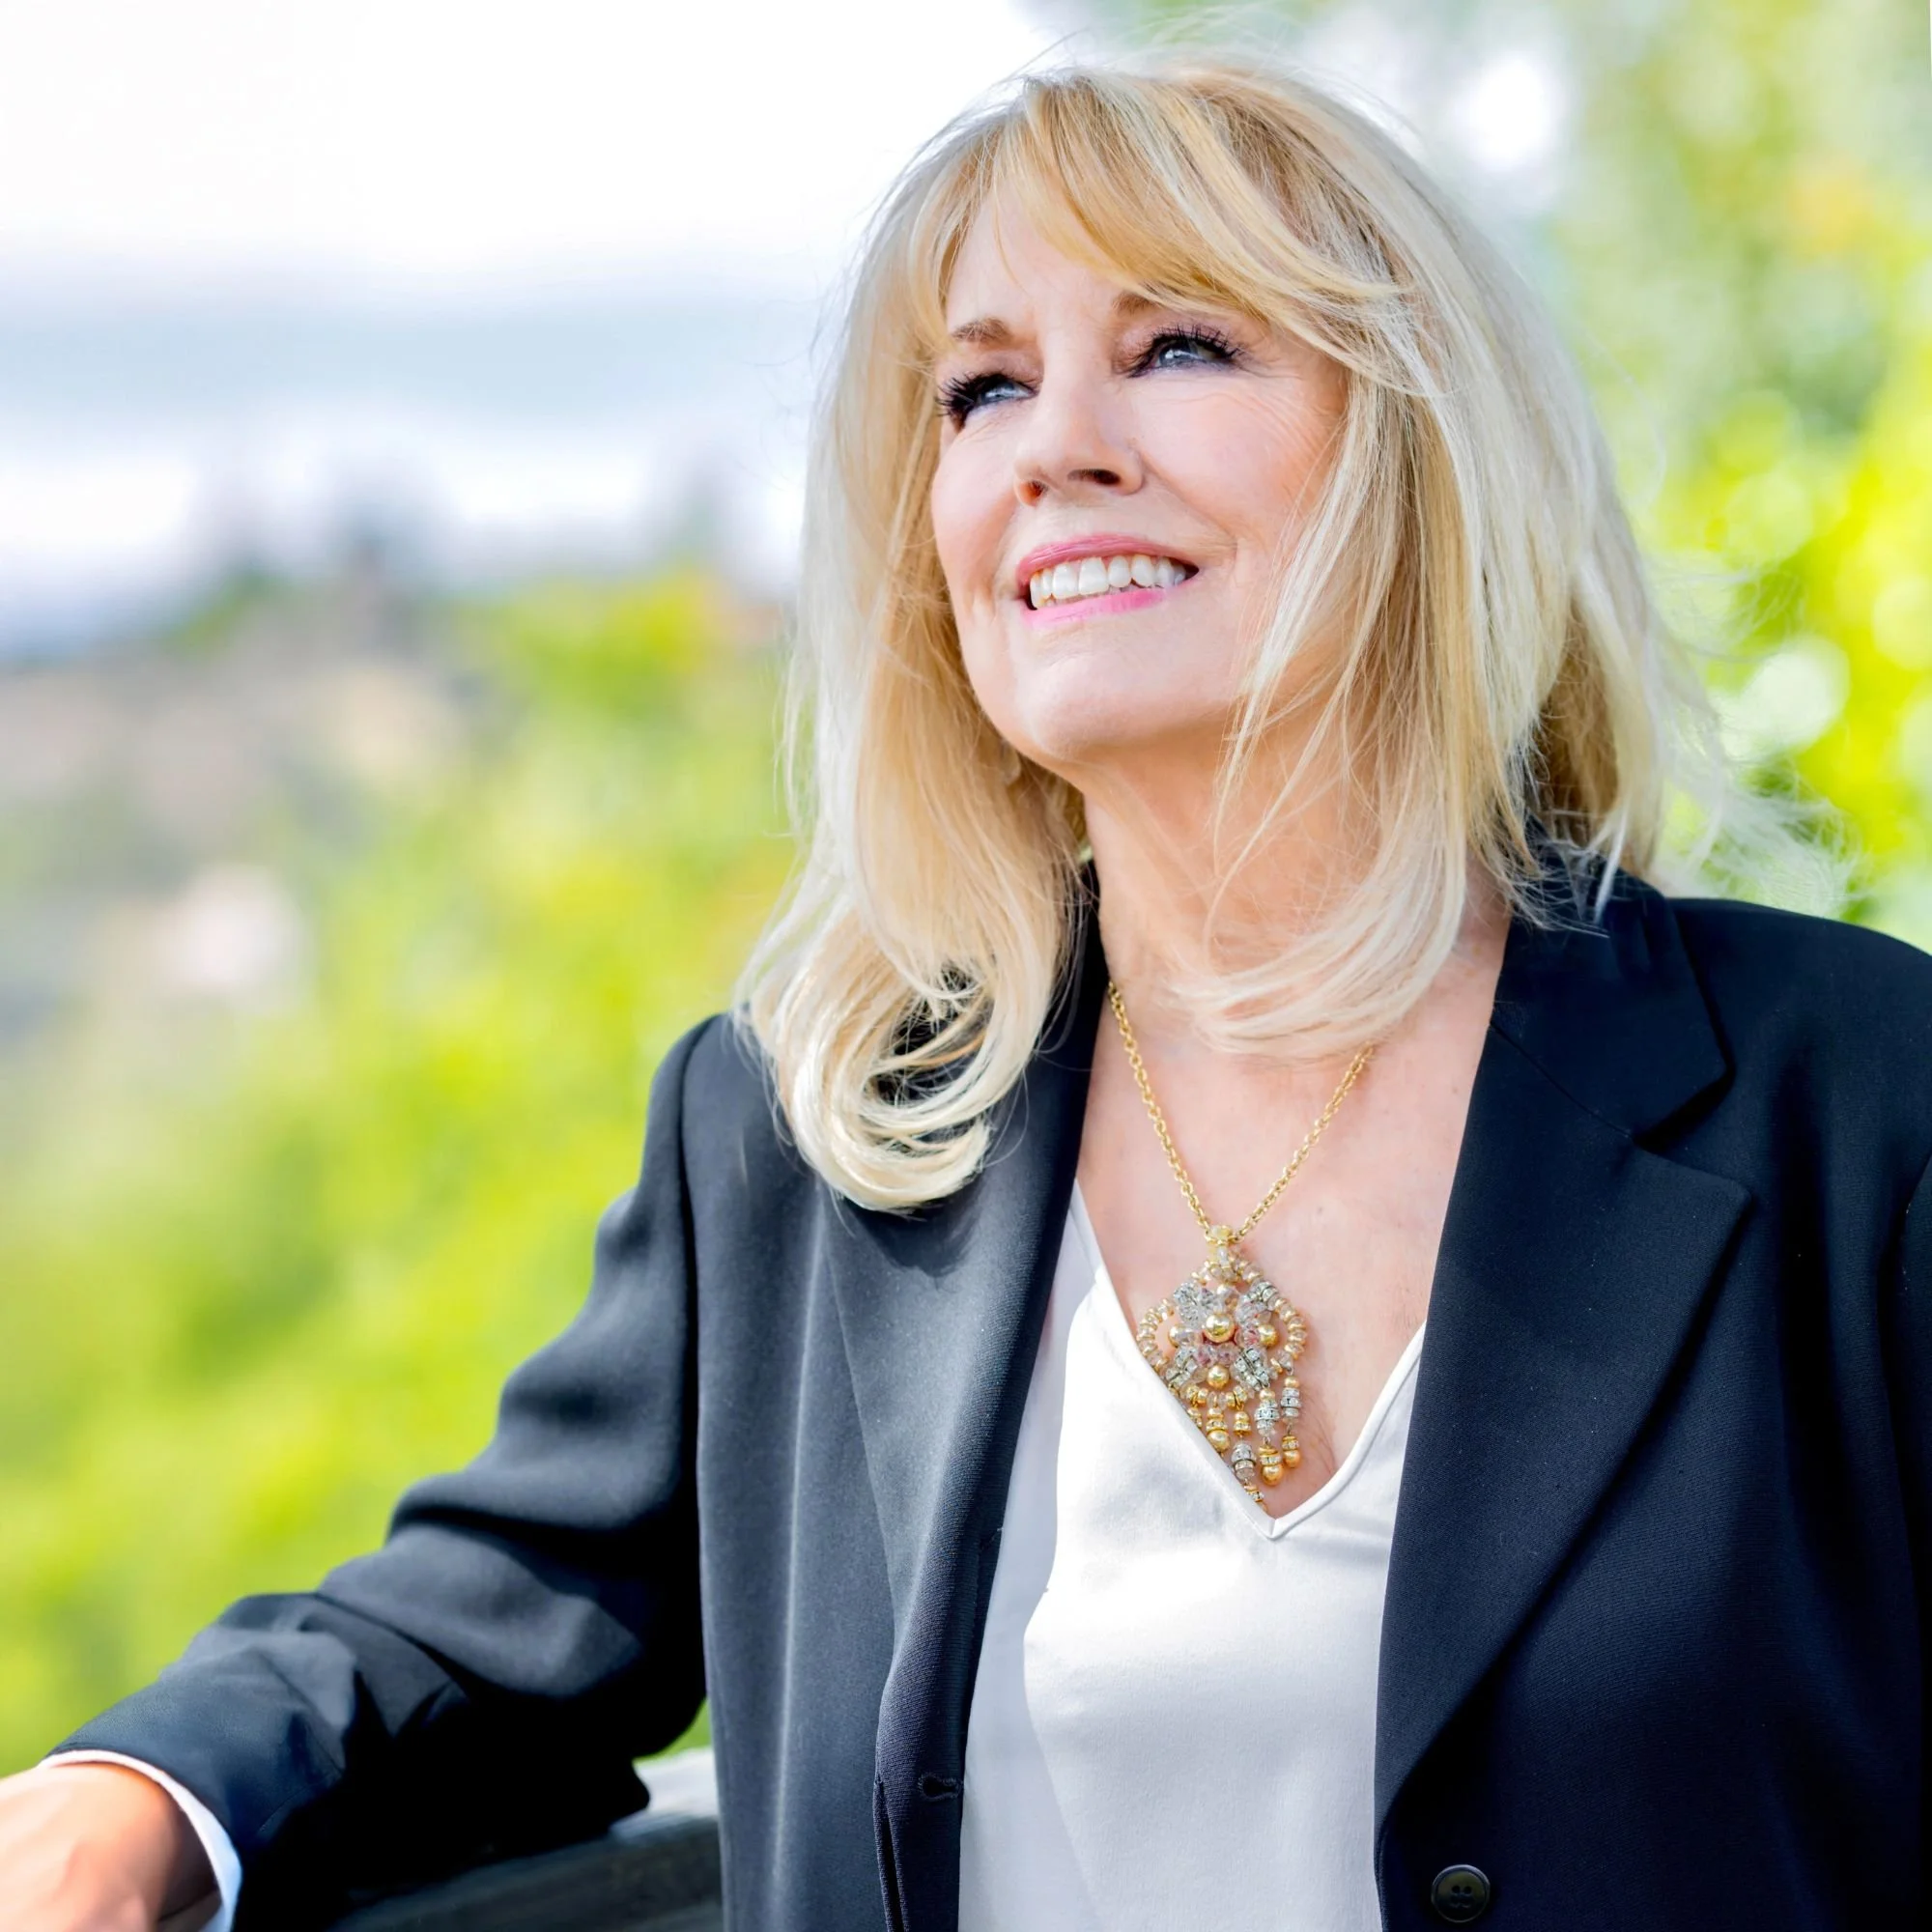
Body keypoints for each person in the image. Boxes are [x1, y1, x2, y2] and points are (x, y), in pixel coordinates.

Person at [4, 47, 1931, 1932]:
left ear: (1419, 445)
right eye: (978, 387)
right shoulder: (807, 1139)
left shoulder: (1853, 1100)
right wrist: (140, 1790)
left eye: (1180, 347)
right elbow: (484, 1630)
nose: (1056, 447)